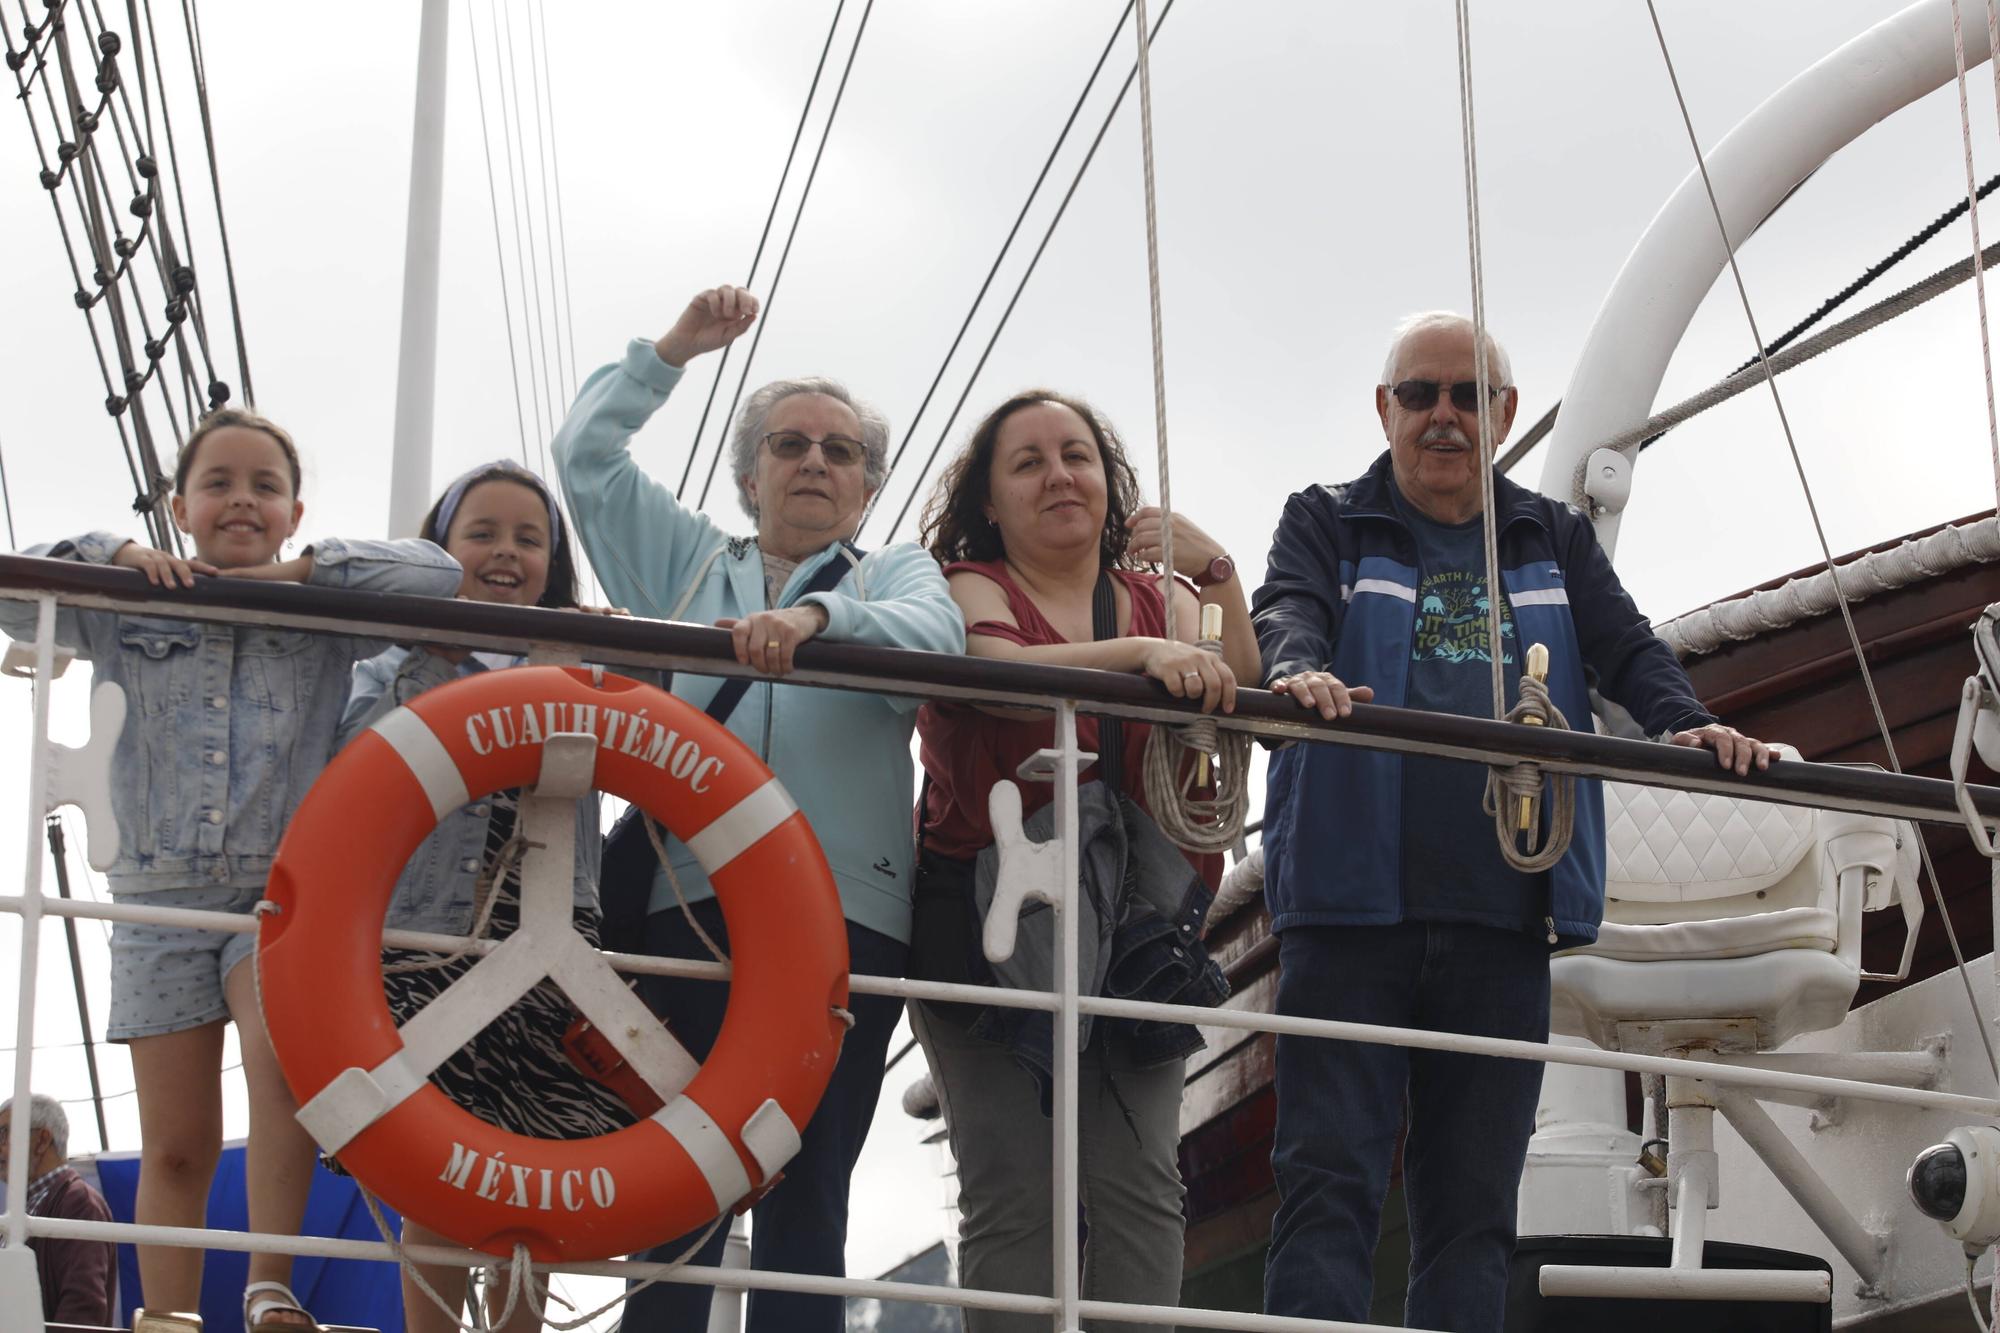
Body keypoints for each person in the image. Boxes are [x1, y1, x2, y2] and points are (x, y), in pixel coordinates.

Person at [1252, 311, 1773, 1330]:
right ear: (1382, 408)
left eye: (1465, 396)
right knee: (1328, 1188)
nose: (1441, 416)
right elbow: (1287, 609)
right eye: (1419, 394)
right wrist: (1293, 671)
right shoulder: (1324, 520)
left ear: (1502, 414)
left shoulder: (1547, 534)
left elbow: (1625, 650)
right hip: (1348, 909)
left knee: (1472, 1210)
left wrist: (1689, 725)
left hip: (1500, 915)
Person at [551, 284, 963, 1331]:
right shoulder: (687, 567)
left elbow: (937, 640)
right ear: (748, 476)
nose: (815, 462)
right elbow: (587, 458)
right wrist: (673, 351)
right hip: (687, 906)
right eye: (789, 445)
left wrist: (817, 614)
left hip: (847, 915)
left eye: (839, 450)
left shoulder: (898, 572)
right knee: (679, 1182)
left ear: (866, 486)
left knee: (809, 1187)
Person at [0, 408, 462, 1331]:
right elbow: (14, 590)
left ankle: (267, 1286)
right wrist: (119, 553)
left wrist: (304, 574)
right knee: (176, 1141)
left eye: (264, 486)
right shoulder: (129, 599)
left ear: (295, 510)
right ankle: (168, 1315)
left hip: (278, 890)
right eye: (218, 483)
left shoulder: (325, 606)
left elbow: (436, 572)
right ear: (180, 504)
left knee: (282, 1084)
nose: (241, 500)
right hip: (158, 898)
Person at [909, 389, 1259, 1331]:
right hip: (982, 928)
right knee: (1015, 1191)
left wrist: (1216, 571)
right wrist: (1148, 651)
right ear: (990, 499)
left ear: (1109, 483)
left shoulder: (1165, 598)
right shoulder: (962, 584)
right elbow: (1001, 669)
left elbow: (1241, 675)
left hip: (1139, 931)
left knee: (1143, 1184)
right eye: (1028, 462)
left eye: (1077, 456)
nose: (1060, 475)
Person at [335, 460, 629, 1333]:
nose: (506, 553)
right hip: (434, 925)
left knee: (532, 1136)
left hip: (551, 921)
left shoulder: (585, 657)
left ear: (554, 560)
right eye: (483, 534)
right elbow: (357, 758)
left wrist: (576, 670)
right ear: (439, 549)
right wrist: (427, 658)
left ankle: (517, 1328)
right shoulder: (392, 659)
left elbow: (657, 744)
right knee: (443, 1148)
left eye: (528, 539)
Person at [0, 1094, 115, 1325]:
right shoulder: (30, 1206)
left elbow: (83, 1309)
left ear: (42, 1140)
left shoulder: (80, 1204)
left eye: (3, 1135)